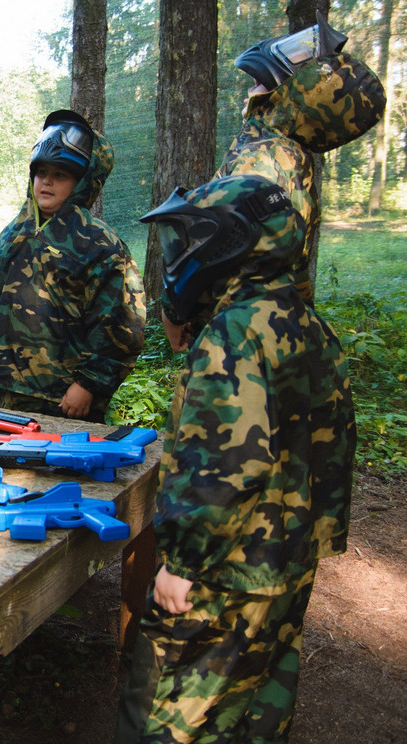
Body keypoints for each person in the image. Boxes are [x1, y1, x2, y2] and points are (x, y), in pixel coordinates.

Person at [114, 174, 356, 743]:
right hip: (288, 559)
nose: (181, 256)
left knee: (164, 713)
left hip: (227, 571)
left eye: (190, 241)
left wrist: (182, 564)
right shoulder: (302, 319)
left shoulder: (235, 333)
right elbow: (331, 445)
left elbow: (226, 467)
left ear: (229, 245)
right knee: (257, 708)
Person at [163, 12, 385, 351]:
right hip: (273, 335)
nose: (253, 86)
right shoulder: (294, 158)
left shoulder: (262, 158)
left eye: (263, 83)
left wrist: (175, 312)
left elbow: (215, 250)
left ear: (302, 93)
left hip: (238, 342)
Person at [0, 109, 145, 424]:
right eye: (41, 173)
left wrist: (89, 383)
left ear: (82, 182)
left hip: (65, 400)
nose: (47, 181)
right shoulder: (14, 234)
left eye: (60, 175)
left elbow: (122, 323)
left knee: (65, 468)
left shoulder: (100, 245)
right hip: (6, 392)